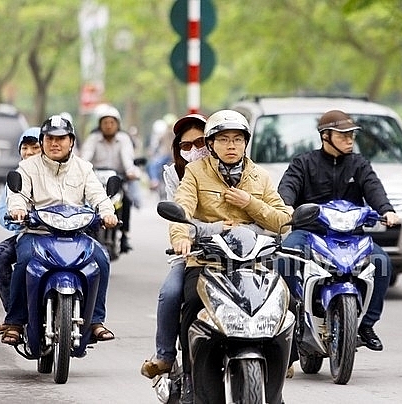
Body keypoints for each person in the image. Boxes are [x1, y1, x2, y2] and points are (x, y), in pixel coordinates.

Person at [168, 109, 292, 395]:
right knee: (190, 307)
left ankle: (281, 371)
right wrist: (182, 238)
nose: (231, 145)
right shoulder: (195, 173)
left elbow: (282, 219)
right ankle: (190, 377)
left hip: (254, 263)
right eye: (224, 139)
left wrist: (250, 203)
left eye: (237, 139)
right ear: (211, 144)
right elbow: (181, 210)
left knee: (288, 302)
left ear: (246, 142)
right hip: (207, 261)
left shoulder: (260, 177)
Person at [277, 109, 400, 351]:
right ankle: (294, 314)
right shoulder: (303, 163)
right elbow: (288, 187)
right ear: (325, 136)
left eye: (351, 135)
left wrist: (387, 210)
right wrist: (286, 206)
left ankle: (366, 324)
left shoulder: (359, 164)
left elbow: (374, 188)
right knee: (285, 256)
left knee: (382, 262)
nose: (349, 140)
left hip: (351, 236)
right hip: (310, 233)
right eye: (343, 135)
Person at [0, 115, 118, 345]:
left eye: (61, 138)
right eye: (50, 138)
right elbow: (17, 195)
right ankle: (14, 321)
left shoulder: (84, 168)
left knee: (101, 260)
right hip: (37, 234)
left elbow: (98, 195)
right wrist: (17, 210)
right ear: (42, 141)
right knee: (23, 262)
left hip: (76, 235)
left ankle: (95, 321)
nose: (55, 143)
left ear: (71, 141)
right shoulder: (27, 167)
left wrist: (108, 212)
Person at [141, 113, 215, 379]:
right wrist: (186, 237)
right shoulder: (176, 175)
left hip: (238, 252)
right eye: (186, 146)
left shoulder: (240, 169)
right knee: (170, 293)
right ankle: (165, 355)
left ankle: (278, 353)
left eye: (201, 142)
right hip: (192, 253)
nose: (195, 150)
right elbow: (181, 216)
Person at [0, 127, 42, 335]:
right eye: (25, 147)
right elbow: (5, 208)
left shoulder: (66, 169)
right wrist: (17, 217)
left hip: (65, 235)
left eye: (35, 147)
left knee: (98, 258)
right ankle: (14, 316)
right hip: (29, 235)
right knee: (0, 255)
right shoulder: (17, 176)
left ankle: (93, 320)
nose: (29, 152)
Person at [81, 105, 141, 252]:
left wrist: (131, 172)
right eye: (105, 123)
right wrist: (81, 169)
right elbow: (85, 157)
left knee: (126, 200)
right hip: (95, 180)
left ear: (117, 124)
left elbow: (128, 159)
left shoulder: (124, 139)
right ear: (100, 125)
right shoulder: (93, 138)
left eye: (111, 123)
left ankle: (124, 235)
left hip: (117, 179)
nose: (108, 126)